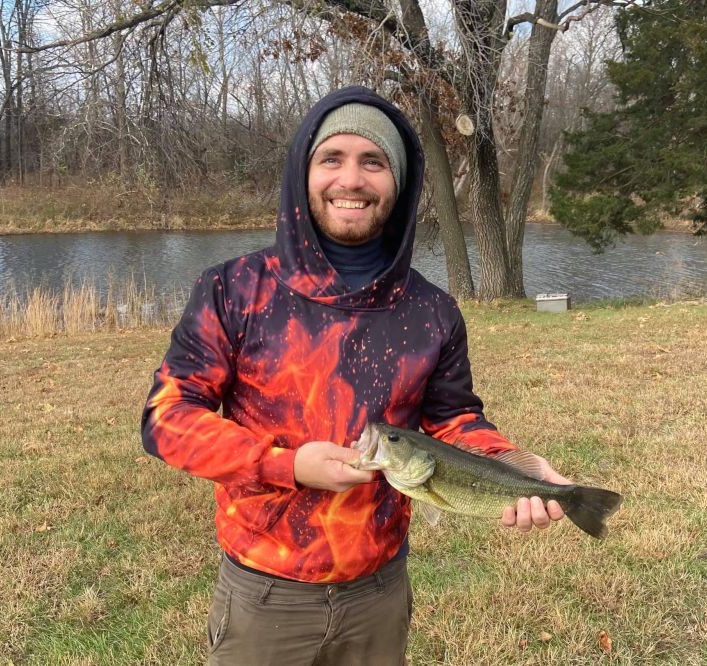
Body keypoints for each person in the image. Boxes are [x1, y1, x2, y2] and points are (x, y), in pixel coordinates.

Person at [141, 87, 570, 666]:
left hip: (379, 592)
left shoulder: (433, 311)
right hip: (265, 591)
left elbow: (453, 419)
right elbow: (168, 418)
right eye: (332, 159)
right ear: (303, 171)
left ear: (399, 183)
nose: (352, 180)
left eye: (374, 162)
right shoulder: (234, 288)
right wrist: (285, 464)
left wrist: (509, 463)